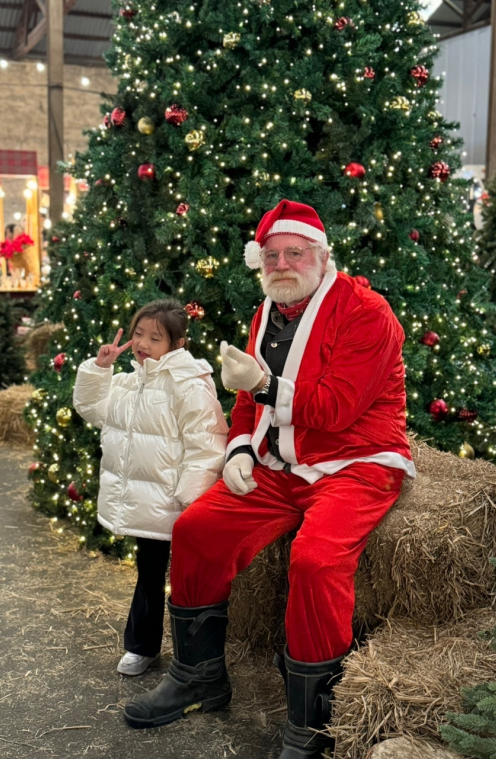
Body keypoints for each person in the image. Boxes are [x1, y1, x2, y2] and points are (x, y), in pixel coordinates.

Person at [123, 200, 415, 759]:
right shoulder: (268, 312)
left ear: (320, 255)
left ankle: (312, 723)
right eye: (272, 256)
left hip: (356, 463)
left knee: (316, 560)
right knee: (195, 530)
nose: (282, 264)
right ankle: (199, 679)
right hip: (281, 463)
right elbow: (245, 398)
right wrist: (238, 449)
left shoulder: (367, 312)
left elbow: (335, 408)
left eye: (294, 253)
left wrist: (261, 385)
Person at [73, 299, 228, 677]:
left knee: (189, 579)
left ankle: (195, 657)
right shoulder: (128, 382)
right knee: (149, 571)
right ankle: (142, 645)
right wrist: (99, 369)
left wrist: (189, 500)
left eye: (155, 338)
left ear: (177, 344)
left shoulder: (188, 385)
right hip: (152, 506)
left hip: (178, 502)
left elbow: (207, 443)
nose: (143, 343)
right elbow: (93, 410)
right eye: (138, 334)